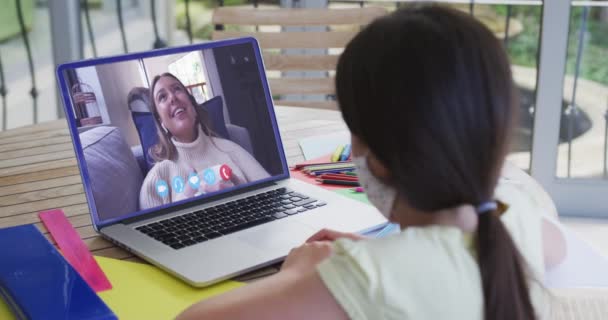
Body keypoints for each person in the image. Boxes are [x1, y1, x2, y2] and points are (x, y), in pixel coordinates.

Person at [176, 5, 566, 319]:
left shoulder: (364, 279)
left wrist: (301, 274)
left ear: (377, 160)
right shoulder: (518, 218)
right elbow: (555, 247)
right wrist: (384, 252)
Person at [139, 73, 270, 209]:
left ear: (193, 107)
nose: (172, 97)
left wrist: (244, 199)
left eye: (177, 89)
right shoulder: (157, 178)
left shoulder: (231, 150)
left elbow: (274, 198)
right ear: (161, 123)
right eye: (162, 97)